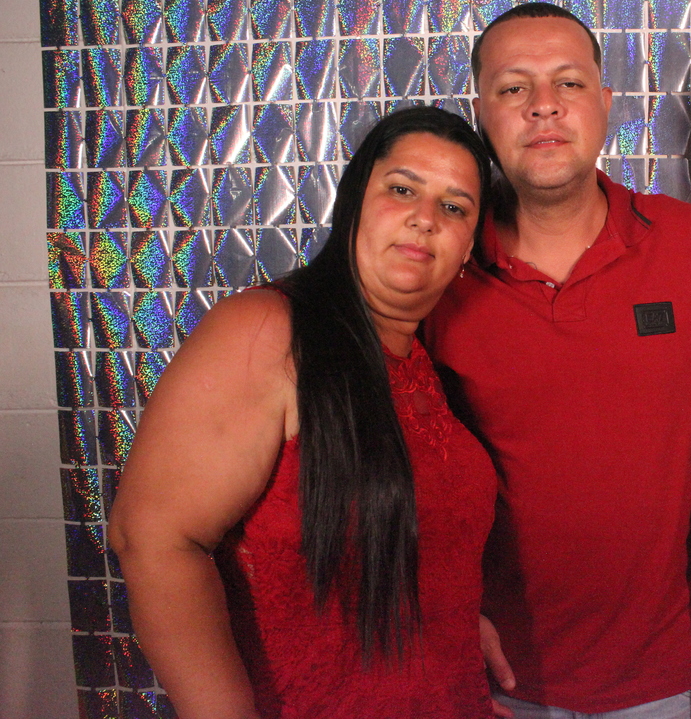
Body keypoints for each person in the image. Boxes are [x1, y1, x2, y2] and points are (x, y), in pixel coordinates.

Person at [421, 3, 691, 717]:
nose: (543, 105)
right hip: (501, 682)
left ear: (606, 104)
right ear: (480, 112)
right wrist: (434, 602)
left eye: (568, 83)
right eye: (514, 88)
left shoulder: (685, 242)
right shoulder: (438, 269)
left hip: (674, 678)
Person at [109, 106, 499, 719]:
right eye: (402, 190)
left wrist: (451, 629)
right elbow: (153, 540)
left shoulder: (427, 364)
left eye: (454, 207)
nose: (425, 218)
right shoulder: (269, 329)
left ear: (467, 246)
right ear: (354, 204)